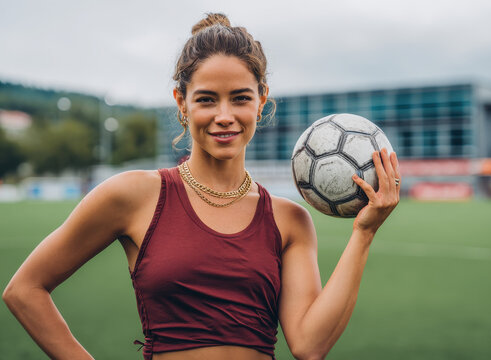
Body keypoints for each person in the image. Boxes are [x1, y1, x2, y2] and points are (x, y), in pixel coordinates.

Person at [3, 13, 400, 360]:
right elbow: (25, 290)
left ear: (261, 101)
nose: (224, 116)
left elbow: (309, 346)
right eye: (207, 99)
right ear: (182, 102)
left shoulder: (290, 219)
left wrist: (364, 233)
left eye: (240, 98)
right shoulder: (132, 196)